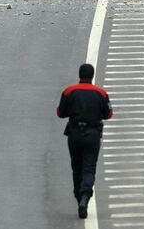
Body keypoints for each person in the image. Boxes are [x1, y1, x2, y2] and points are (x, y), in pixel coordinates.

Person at [57, 63, 113, 219]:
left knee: (77, 167)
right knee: (89, 168)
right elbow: (108, 114)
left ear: (79, 74)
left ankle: (78, 197)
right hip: (93, 135)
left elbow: (60, 113)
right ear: (92, 75)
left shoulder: (69, 91)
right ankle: (85, 197)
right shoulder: (101, 93)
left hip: (74, 134)